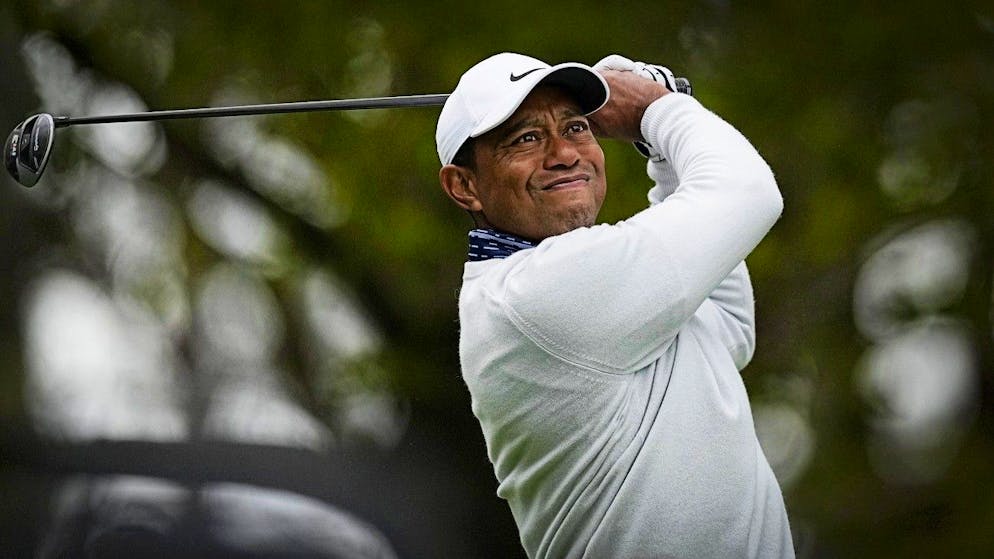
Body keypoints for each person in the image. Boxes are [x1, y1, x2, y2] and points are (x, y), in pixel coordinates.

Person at [436, 52, 793, 559]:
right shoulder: (535, 292)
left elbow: (728, 330)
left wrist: (663, 147)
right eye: (526, 139)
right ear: (464, 186)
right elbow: (749, 192)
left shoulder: (575, 286)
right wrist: (657, 108)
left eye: (576, 127)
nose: (564, 154)